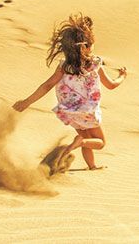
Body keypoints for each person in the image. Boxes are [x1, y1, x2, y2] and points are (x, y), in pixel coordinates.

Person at [13, 14, 127, 170]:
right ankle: (76, 144)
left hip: (69, 111)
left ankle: (91, 165)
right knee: (100, 143)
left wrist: (26, 102)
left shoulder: (64, 66)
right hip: (88, 111)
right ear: (84, 47)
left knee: (85, 136)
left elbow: (47, 85)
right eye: (91, 44)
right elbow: (112, 85)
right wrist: (122, 76)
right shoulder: (94, 63)